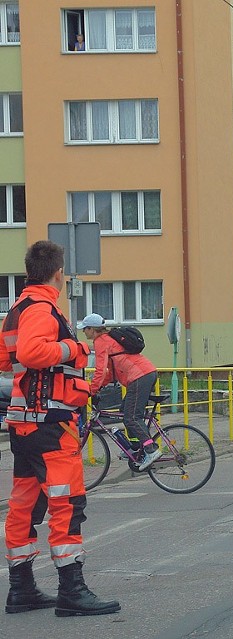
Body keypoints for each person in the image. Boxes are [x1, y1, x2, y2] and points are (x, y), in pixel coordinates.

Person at [0, 240, 119, 617]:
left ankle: (21, 590)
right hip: (52, 426)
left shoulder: (16, 310)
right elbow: (33, 353)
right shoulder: (43, 309)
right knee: (66, 504)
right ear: (58, 273)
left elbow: (8, 360)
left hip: (25, 427)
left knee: (24, 507)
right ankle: (72, 590)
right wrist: (75, 350)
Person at [78, 313, 160, 470]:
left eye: (85, 329)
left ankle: (151, 449)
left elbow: (100, 370)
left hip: (139, 376)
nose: (84, 333)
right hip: (146, 373)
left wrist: (91, 390)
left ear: (92, 329)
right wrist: (99, 387)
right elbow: (109, 373)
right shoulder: (110, 339)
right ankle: (137, 449)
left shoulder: (101, 341)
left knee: (131, 418)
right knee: (125, 411)